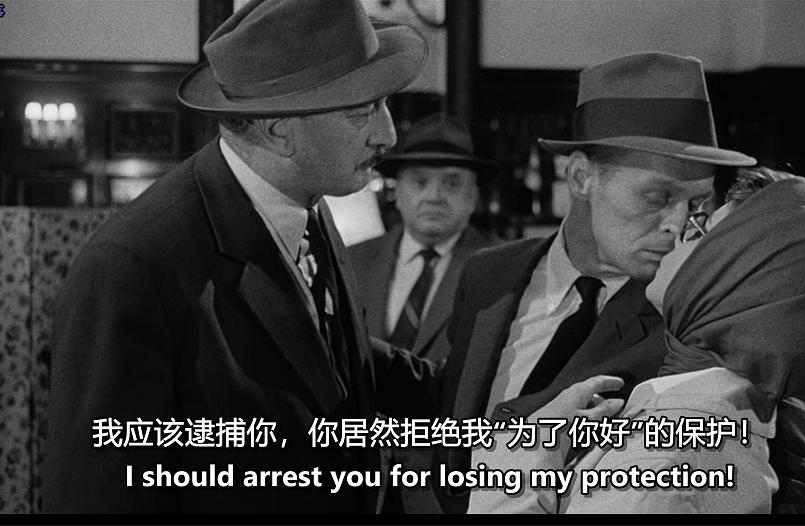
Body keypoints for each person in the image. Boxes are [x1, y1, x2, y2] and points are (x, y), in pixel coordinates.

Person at [44, 0, 433, 513]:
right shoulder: (133, 266)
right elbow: (97, 495)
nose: (388, 134)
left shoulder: (308, 203)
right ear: (279, 130)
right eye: (362, 111)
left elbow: (326, 362)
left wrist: (500, 373)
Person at [433, 52, 757, 513]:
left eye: (696, 204)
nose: (678, 224)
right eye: (657, 195)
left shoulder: (692, 317)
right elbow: (454, 392)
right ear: (581, 176)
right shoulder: (490, 272)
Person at [468, 167, 805, 513]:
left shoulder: (673, 454)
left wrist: (519, 463)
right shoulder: (695, 416)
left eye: (700, 230)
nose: (679, 231)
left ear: (730, 277)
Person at [349, 113, 500, 513]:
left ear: (474, 195)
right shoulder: (349, 261)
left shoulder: (506, 272)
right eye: (419, 182)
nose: (434, 196)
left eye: (451, 183)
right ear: (397, 192)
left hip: (447, 491)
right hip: (354, 484)